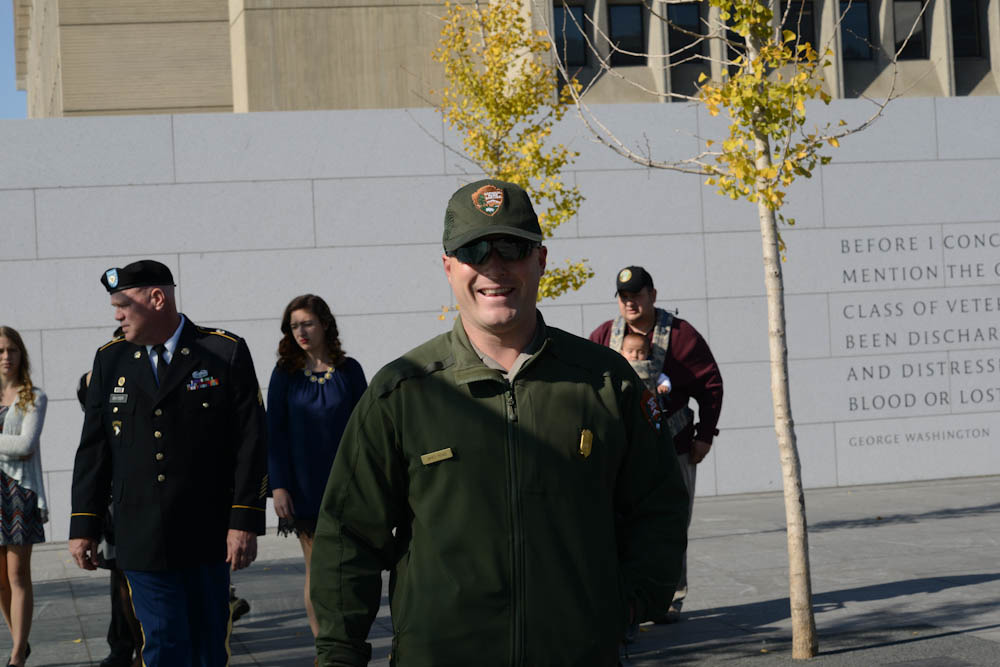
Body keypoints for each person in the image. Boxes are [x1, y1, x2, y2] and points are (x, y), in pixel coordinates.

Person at [310, 179, 690, 666]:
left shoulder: (604, 382)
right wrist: (339, 653)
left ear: (541, 260)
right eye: (474, 250)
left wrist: (630, 603)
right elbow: (349, 533)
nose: (494, 265)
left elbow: (659, 502)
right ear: (448, 268)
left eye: (512, 246)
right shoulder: (403, 392)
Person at [69, 260, 268, 667]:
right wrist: (83, 524)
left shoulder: (222, 351)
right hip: (140, 533)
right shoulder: (111, 360)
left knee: (209, 645)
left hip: (207, 530)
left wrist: (244, 519)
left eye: (123, 304)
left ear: (157, 298)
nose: (117, 315)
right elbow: (94, 449)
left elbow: (251, 442)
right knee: (162, 644)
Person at [589, 265, 724, 623]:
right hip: (620, 453)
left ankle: (669, 599)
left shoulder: (682, 336)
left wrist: (705, 436)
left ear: (653, 294)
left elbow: (710, 386)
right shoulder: (604, 336)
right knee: (618, 525)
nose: (630, 301)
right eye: (624, 296)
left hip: (674, 448)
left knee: (670, 524)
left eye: (637, 294)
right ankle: (627, 597)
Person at [267, 294, 367, 638]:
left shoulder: (350, 370)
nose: (301, 332)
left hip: (347, 484)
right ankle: (324, 648)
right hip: (303, 487)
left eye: (307, 323)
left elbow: (366, 429)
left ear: (324, 323)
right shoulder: (285, 374)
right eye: (294, 326)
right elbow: (274, 433)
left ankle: (347, 641)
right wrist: (278, 486)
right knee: (318, 569)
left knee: (346, 569)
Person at [0, 327, 47, 667]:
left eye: (12, 350)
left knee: (18, 576)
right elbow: (13, 447)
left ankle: (17, 655)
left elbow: (26, 446)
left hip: (19, 493)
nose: (6, 357)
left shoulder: (34, 396)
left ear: (22, 355)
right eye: (0, 351)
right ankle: (20, 639)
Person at [620, 332, 672, 398]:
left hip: (646, 402)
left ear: (648, 353)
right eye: (630, 351)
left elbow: (663, 378)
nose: (634, 355)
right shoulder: (619, 367)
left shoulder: (651, 368)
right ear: (622, 351)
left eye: (641, 352)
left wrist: (665, 386)